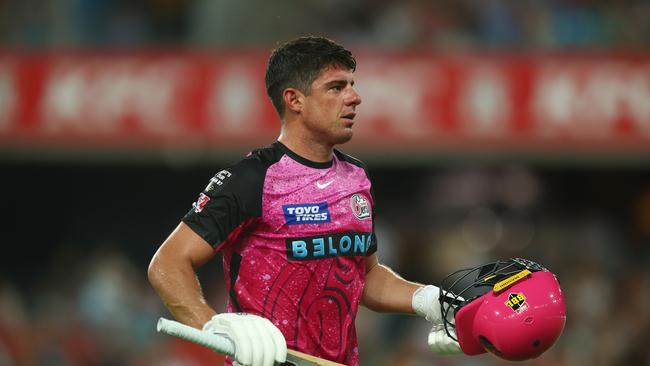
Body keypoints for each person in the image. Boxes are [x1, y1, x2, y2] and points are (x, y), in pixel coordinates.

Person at [148, 36, 460, 366]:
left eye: (352, 85)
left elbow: (364, 276)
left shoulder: (355, 177)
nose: (355, 97)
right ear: (295, 100)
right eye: (336, 87)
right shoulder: (252, 178)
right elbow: (167, 263)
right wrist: (214, 326)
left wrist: (426, 298)